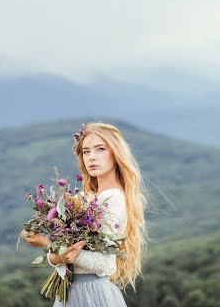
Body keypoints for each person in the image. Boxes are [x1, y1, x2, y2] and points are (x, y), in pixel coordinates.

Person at [21, 121, 148, 306]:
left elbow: (105, 264)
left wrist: (47, 243)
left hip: (92, 294)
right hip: (72, 292)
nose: (91, 157)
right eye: (86, 151)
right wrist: (55, 255)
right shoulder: (84, 198)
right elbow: (60, 258)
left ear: (116, 154)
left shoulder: (113, 198)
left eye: (100, 149)